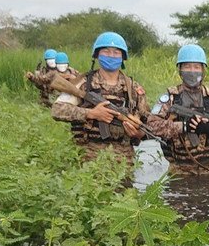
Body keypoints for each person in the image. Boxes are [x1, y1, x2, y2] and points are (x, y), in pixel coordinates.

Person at [50, 31, 150, 160]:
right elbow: (57, 110)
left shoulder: (133, 88)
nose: (111, 56)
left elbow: (147, 123)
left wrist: (138, 133)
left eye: (116, 52)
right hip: (87, 159)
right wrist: (90, 113)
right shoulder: (84, 83)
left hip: (124, 161)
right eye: (106, 51)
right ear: (97, 55)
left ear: (122, 57)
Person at [146, 44, 209, 174]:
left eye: (196, 67)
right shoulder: (170, 97)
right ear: (180, 70)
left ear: (203, 70)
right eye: (187, 66)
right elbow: (151, 126)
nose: (192, 71)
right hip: (179, 171)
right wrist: (184, 126)